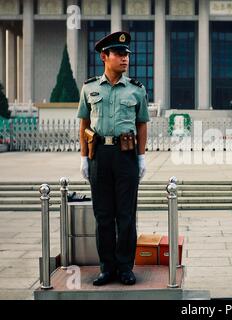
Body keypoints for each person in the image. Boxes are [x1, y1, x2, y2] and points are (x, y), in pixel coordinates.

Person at [77, 31, 150, 286]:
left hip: (126, 155)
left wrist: (141, 158)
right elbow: (84, 123)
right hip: (100, 156)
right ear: (104, 57)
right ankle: (106, 268)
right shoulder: (89, 88)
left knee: (126, 216)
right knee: (103, 215)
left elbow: (142, 124)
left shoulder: (136, 90)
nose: (125, 59)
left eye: (126, 55)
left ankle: (125, 267)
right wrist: (84, 158)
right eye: (119, 54)